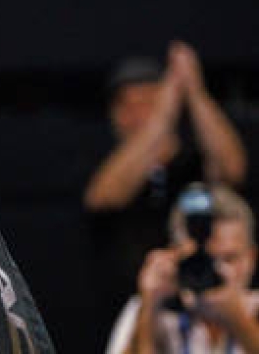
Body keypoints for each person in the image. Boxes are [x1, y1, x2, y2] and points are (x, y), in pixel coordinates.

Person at [86, 42, 247, 345]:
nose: (138, 115)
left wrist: (194, 93)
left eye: (149, 102)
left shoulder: (194, 166)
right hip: (133, 319)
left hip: (210, 318)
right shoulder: (104, 166)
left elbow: (233, 170)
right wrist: (165, 111)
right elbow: (103, 198)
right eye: (126, 105)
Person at [105, 185, 259, 353]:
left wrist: (239, 321)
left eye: (230, 259)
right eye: (204, 260)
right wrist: (150, 308)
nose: (219, 271)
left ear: (252, 258)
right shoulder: (152, 308)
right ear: (175, 255)